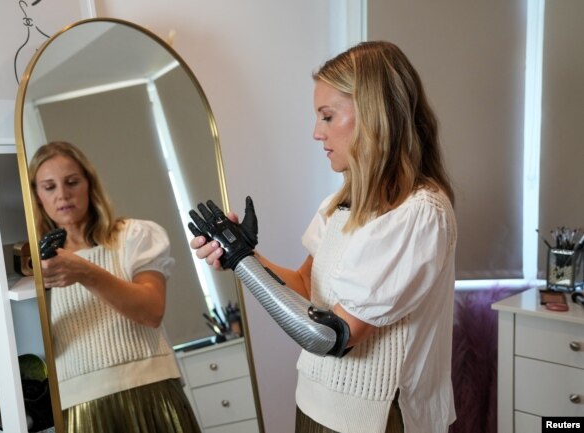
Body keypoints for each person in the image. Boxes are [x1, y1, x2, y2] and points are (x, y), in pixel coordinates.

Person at [190, 41, 457, 433]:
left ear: (373, 114)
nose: (317, 133)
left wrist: (243, 263)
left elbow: (332, 336)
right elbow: (304, 287)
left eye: (327, 116)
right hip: (314, 404)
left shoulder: (419, 213)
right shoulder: (338, 204)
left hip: (373, 420)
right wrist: (245, 253)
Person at [29, 141, 201, 433]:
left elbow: (151, 311)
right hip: (79, 407)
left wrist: (85, 272)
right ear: (36, 195)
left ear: (89, 184)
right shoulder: (33, 264)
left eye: (72, 182)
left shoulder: (134, 236)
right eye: (49, 187)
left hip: (150, 392)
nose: (62, 194)